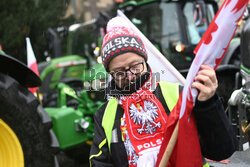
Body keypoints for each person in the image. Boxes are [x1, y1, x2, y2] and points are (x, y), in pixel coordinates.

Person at [89, 17, 236, 167]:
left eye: (135, 66)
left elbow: (221, 150)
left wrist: (208, 104)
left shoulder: (179, 95)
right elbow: (99, 163)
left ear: (145, 61)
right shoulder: (104, 115)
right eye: (119, 72)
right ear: (110, 74)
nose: (130, 75)